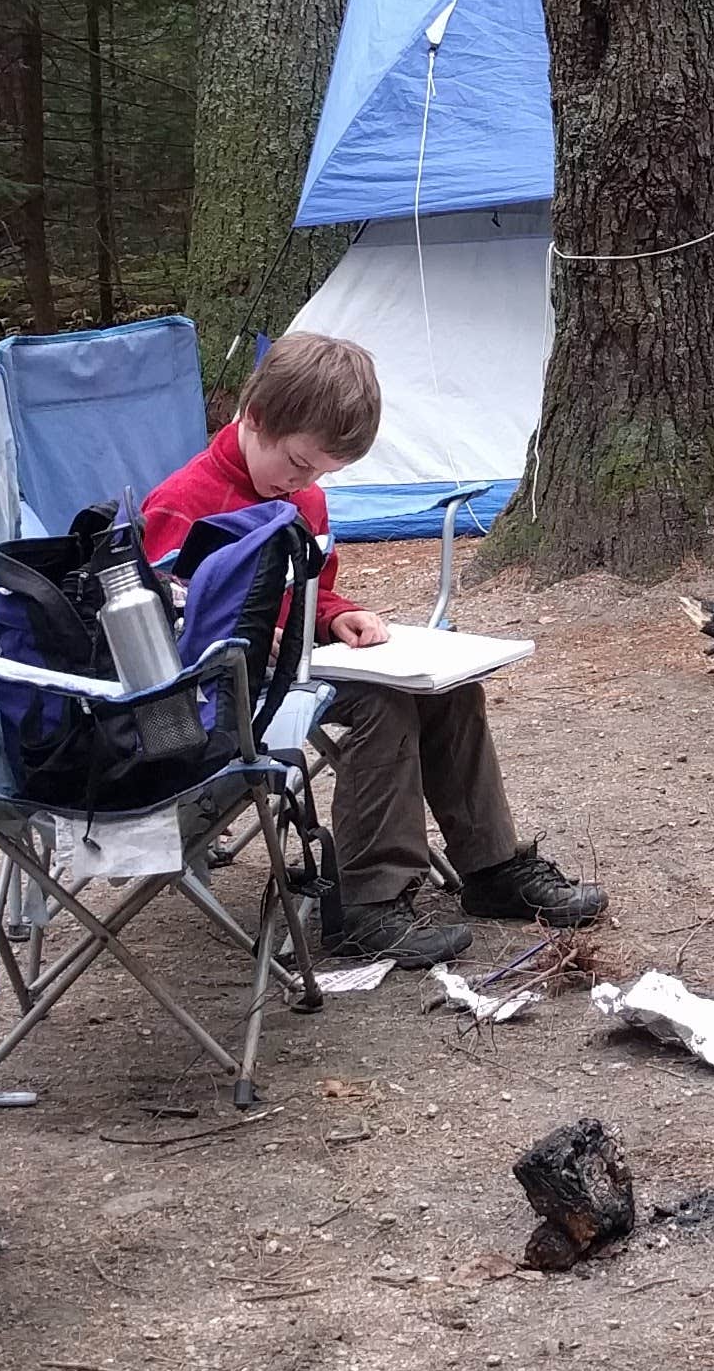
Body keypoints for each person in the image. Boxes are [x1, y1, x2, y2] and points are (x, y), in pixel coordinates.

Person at [138, 332, 605, 969]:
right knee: (379, 707)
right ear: (255, 417)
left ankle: (491, 866)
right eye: (301, 464)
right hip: (222, 695)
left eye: (324, 473)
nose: (306, 483)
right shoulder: (183, 504)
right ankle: (364, 901)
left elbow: (311, 590)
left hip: (299, 667)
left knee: (447, 689)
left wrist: (338, 614)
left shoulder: (303, 496)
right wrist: (239, 638)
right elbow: (166, 628)